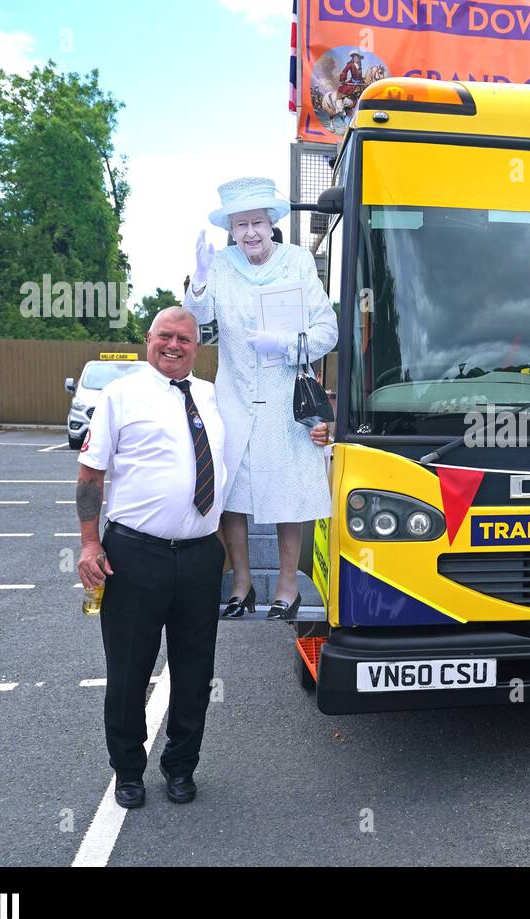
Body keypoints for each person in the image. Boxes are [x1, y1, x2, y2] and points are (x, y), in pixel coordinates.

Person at [76, 307, 228, 808]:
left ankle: (182, 767)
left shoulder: (210, 395)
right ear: (148, 339)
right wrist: (90, 543)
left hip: (203, 556)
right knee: (128, 671)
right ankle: (127, 771)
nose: (174, 345)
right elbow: (91, 477)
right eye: (165, 335)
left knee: (194, 671)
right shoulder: (121, 395)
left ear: (196, 346)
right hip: (135, 556)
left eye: (185, 338)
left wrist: (316, 434)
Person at [184, 176, 338, 621]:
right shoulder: (222, 264)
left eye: (257, 222)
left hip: (285, 398)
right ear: (230, 229)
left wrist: (287, 344)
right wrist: (199, 280)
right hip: (233, 396)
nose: (250, 232)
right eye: (240, 225)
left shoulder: (298, 262)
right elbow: (199, 322)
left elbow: (327, 332)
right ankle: (242, 584)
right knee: (233, 495)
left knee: (288, 495)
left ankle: (287, 588)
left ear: (272, 223)